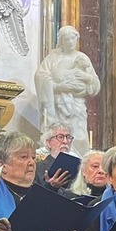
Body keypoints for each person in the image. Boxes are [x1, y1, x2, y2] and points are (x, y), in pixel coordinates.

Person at [35, 26, 100, 155]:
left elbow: (95, 86)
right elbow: (40, 78)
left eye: (73, 38)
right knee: (58, 139)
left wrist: (86, 77)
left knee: (79, 138)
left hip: (77, 109)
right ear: (61, 41)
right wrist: (60, 87)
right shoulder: (52, 58)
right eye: (67, 39)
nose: (70, 41)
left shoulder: (82, 58)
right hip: (58, 108)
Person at [35, 120, 75, 189]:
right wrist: (50, 186)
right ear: (48, 143)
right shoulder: (38, 168)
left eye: (68, 137)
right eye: (60, 137)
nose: (65, 141)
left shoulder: (77, 166)